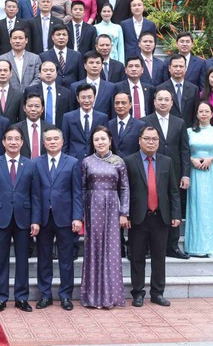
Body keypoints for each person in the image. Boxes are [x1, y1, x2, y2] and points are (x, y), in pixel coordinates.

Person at [0, 125, 41, 313]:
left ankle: (21, 297)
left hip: (24, 219)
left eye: (17, 139)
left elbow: (35, 196)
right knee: (1, 259)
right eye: (9, 139)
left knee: (22, 260)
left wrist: (35, 220)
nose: (13, 142)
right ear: (3, 142)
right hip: (0, 218)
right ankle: (1, 297)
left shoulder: (31, 164)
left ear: (22, 142)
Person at [124, 126, 181, 308]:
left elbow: (173, 191)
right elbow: (125, 191)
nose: (151, 142)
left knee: (159, 257)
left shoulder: (167, 161)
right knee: (137, 257)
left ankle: (157, 293)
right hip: (137, 217)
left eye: (154, 139)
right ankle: (138, 293)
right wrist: (125, 214)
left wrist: (176, 214)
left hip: (161, 216)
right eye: (147, 138)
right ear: (139, 140)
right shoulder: (129, 161)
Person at [80, 126, 129, 309]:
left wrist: (124, 212)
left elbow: (124, 188)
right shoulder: (86, 162)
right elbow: (83, 187)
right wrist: (83, 212)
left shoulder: (118, 162)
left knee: (112, 250)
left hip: (112, 208)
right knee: (93, 249)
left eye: (103, 139)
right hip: (93, 207)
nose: (100, 142)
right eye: (96, 139)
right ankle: (93, 296)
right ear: (92, 143)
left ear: (110, 141)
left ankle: (111, 295)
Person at [34, 127, 82, 311]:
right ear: (44, 143)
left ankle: (65, 296)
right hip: (44, 219)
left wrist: (77, 217)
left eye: (56, 139)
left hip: (66, 218)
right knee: (43, 258)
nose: (52, 142)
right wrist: (35, 219)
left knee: (66, 259)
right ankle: (45, 295)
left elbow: (77, 192)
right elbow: (35, 194)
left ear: (62, 142)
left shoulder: (72, 162)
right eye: (49, 139)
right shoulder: (36, 163)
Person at [143, 89, 192, 260]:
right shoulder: (145, 121)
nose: (163, 102)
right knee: (151, 207)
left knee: (173, 206)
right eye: (160, 99)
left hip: (174, 171)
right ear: (154, 102)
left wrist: (186, 174)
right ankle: (149, 246)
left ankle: (172, 246)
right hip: (151, 169)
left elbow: (185, 150)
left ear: (172, 103)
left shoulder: (179, 122)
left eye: (166, 100)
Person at [185, 101, 213, 257]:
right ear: (196, 114)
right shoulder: (189, 132)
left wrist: (212, 159)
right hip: (195, 173)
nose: (203, 114)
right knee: (197, 207)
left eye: (206, 111)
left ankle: (212, 247)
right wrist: (192, 160)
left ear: (212, 114)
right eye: (200, 111)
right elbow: (183, 151)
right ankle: (196, 246)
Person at [63, 83, 110, 160]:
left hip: (96, 160)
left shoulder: (103, 117)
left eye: (89, 97)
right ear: (78, 98)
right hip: (74, 160)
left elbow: (106, 141)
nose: (86, 100)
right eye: (83, 97)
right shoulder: (68, 117)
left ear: (94, 98)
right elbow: (65, 143)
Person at [25, 61, 70, 130]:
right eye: (45, 70)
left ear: (57, 73)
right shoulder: (30, 90)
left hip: (59, 130)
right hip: (36, 130)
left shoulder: (66, 92)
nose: (48, 73)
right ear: (40, 73)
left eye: (52, 70)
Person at [157, 54, 200, 121]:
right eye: (175, 66)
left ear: (185, 68)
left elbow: (196, 112)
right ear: (169, 68)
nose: (178, 69)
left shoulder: (194, 89)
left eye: (181, 66)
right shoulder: (160, 89)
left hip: (189, 129)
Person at [0, 59, 24, 125]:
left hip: (13, 132)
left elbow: (22, 118)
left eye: (5, 70)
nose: (2, 73)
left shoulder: (19, 94)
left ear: (10, 74)